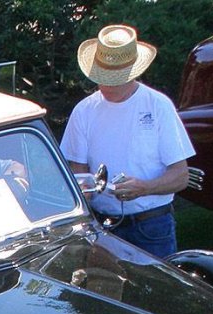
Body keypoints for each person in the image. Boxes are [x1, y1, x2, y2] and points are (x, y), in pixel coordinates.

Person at [61, 24, 196, 258]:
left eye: (114, 79)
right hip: (102, 227)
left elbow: (181, 176)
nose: (106, 85)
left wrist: (144, 188)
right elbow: (79, 175)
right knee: (103, 292)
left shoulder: (158, 105)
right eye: (102, 77)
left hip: (152, 226)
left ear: (133, 73)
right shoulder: (84, 111)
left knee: (158, 294)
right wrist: (85, 192)